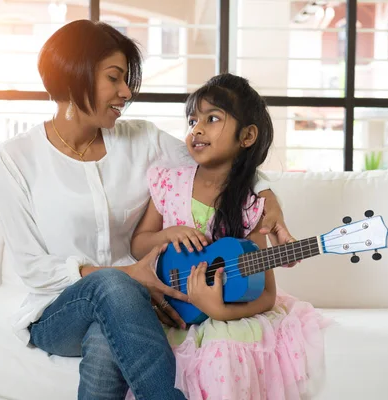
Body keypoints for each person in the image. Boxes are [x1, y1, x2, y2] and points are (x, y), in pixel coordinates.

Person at [0, 20, 295, 400]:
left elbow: (220, 160)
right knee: (112, 283)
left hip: (138, 306)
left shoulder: (143, 139)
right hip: (58, 312)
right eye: (114, 78)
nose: (127, 91)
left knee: (106, 338)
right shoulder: (16, 158)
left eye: (127, 79)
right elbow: (34, 268)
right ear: (75, 77)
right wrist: (129, 275)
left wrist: (268, 196)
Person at [131, 73, 327, 400]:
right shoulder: (169, 183)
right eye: (193, 120)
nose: (197, 128)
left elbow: (265, 294)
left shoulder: (250, 205)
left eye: (212, 118)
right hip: (165, 305)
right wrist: (166, 234)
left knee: (222, 355)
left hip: (223, 316)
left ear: (247, 136)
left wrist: (220, 311)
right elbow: (138, 244)